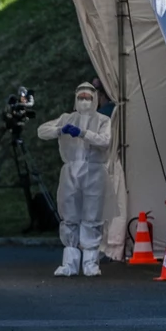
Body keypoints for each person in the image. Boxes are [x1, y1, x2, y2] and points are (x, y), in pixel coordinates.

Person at [37, 82, 112, 277]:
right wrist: (60, 130)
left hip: (94, 172)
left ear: (95, 99)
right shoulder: (66, 118)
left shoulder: (103, 120)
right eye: (81, 97)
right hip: (70, 171)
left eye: (88, 98)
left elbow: (105, 141)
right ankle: (69, 264)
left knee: (92, 215)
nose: (84, 101)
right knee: (69, 215)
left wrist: (83, 133)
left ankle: (90, 263)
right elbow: (42, 131)